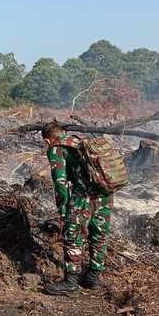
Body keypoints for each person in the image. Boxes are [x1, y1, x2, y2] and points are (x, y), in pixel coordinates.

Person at [41, 122, 112, 295]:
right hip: (105, 194)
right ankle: (93, 278)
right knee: (99, 235)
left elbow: (60, 182)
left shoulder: (56, 148)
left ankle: (71, 282)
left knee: (73, 234)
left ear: (46, 140)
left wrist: (63, 208)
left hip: (83, 198)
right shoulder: (79, 141)